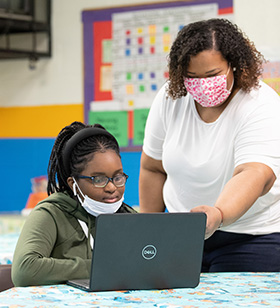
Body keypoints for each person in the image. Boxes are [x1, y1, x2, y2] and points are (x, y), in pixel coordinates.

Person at [139, 18, 280, 272]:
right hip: (182, 237)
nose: (202, 84)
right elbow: (153, 168)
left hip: (251, 238)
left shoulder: (261, 104)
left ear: (234, 65)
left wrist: (218, 214)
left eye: (212, 74)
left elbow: (256, 174)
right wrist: (149, 232)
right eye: (192, 76)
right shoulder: (171, 98)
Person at [12, 121, 137, 287]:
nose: (112, 187)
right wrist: (100, 266)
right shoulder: (51, 214)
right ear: (73, 183)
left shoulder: (128, 217)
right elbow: (24, 270)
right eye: (98, 179)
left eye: (118, 177)